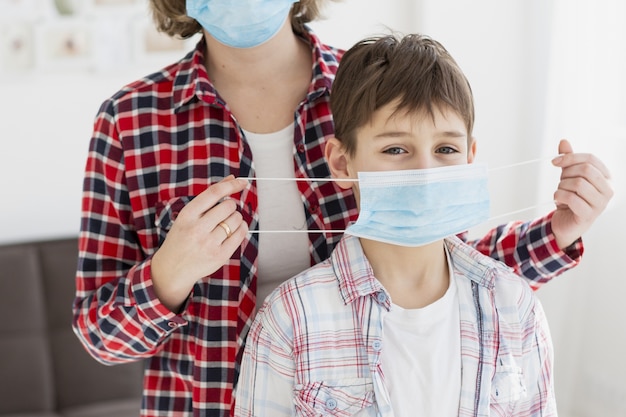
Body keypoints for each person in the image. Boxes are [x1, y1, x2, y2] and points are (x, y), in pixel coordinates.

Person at [71, 1, 613, 416]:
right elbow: (99, 336)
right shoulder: (130, 120)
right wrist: (171, 271)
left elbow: (439, 260)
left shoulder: (372, 89)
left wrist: (557, 232)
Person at [234, 33, 557, 417]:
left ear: (470, 158)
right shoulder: (290, 317)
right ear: (341, 164)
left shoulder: (514, 305)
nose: (425, 172)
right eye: (395, 150)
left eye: (445, 150)